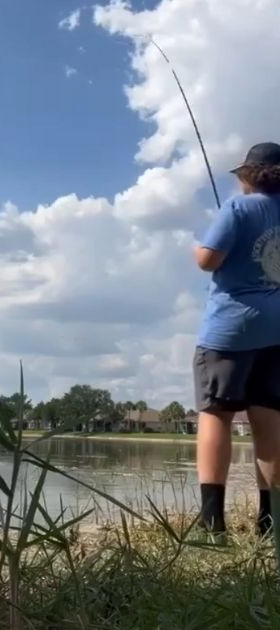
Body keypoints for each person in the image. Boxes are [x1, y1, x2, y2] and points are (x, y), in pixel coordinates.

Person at [193, 141, 280, 539]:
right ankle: (270, 522)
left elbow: (207, 259)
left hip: (231, 330)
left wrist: (200, 247)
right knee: (269, 420)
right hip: (276, 331)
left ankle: (213, 525)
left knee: (216, 414)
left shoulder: (237, 208)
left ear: (248, 175)